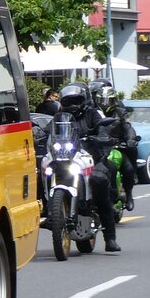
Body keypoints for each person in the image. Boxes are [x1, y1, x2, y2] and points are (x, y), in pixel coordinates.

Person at [48, 82, 120, 252]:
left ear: (84, 100)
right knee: (41, 170)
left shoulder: (92, 113)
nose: (72, 104)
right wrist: (38, 135)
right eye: (69, 101)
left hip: (92, 157)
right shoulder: (60, 116)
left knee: (99, 180)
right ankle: (48, 211)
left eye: (76, 100)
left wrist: (102, 136)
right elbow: (48, 130)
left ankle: (110, 238)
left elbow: (104, 127)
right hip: (65, 157)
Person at [90, 80, 139, 211]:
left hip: (116, 146)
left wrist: (130, 139)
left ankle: (129, 194)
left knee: (128, 169)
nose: (105, 104)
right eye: (103, 101)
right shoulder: (93, 112)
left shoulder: (120, 111)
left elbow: (128, 127)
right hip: (98, 148)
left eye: (109, 101)